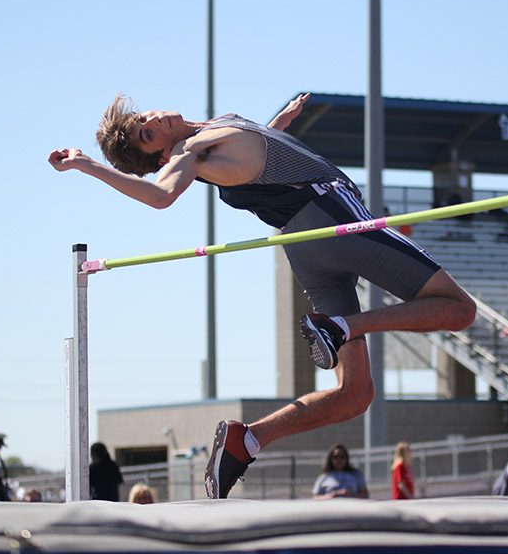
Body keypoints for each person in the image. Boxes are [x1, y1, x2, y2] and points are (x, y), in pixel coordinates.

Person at [49, 93, 476, 499]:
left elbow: (255, 163)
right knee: (459, 309)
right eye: (146, 134)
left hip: (305, 244)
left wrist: (278, 125)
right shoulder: (189, 151)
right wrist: (88, 166)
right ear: (161, 155)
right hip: (334, 219)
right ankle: (341, 327)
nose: (152, 121)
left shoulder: (218, 130)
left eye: (143, 118)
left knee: (355, 393)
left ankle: (247, 439)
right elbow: (162, 196)